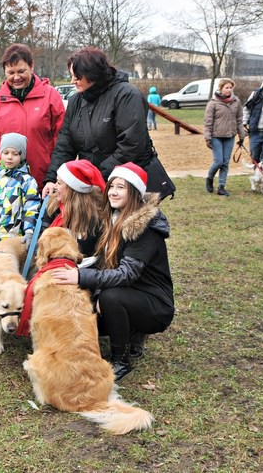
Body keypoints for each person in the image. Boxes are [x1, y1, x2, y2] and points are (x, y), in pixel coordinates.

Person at [51, 163, 174, 381]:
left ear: (135, 192)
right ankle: (130, 336)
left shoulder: (143, 228)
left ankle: (120, 361)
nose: (113, 192)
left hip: (155, 304)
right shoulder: (112, 218)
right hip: (129, 294)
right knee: (92, 312)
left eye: (121, 187)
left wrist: (82, 278)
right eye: (111, 186)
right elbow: (103, 263)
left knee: (110, 297)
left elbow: (127, 274)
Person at [42, 47, 154, 198]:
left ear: (91, 74)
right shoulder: (76, 100)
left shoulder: (126, 95)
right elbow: (65, 144)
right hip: (90, 186)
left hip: (122, 187)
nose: (72, 81)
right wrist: (52, 178)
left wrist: (96, 176)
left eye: (77, 76)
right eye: (72, 76)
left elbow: (131, 145)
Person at [0, 43, 65, 198]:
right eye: (11, 72)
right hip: (4, 185)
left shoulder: (50, 96)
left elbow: (61, 140)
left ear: (32, 66)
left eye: (21, 71)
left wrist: (57, 176)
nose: (16, 77)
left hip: (42, 183)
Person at [0, 133, 40, 251]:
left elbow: (31, 209)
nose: (9, 157)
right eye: (6, 153)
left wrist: (29, 232)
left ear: (22, 155)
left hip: (13, 238)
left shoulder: (27, 181)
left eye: (15, 154)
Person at [44, 159, 105, 259]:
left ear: (71, 189)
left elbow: (88, 253)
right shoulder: (53, 206)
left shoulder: (94, 219)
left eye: (59, 183)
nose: (55, 186)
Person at [203, 78, 245, 197]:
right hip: (216, 136)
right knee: (219, 161)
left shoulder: (236, 102)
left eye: (231, 87)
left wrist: (242, 135)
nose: (229, 90)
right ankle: (209, 178)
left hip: (230, 136)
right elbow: (208, 122)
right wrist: (207, 137)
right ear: (220, 88)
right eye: (226, 87)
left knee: (225, 163)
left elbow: (239, 120)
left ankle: (221, 186)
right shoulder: (213, 103)